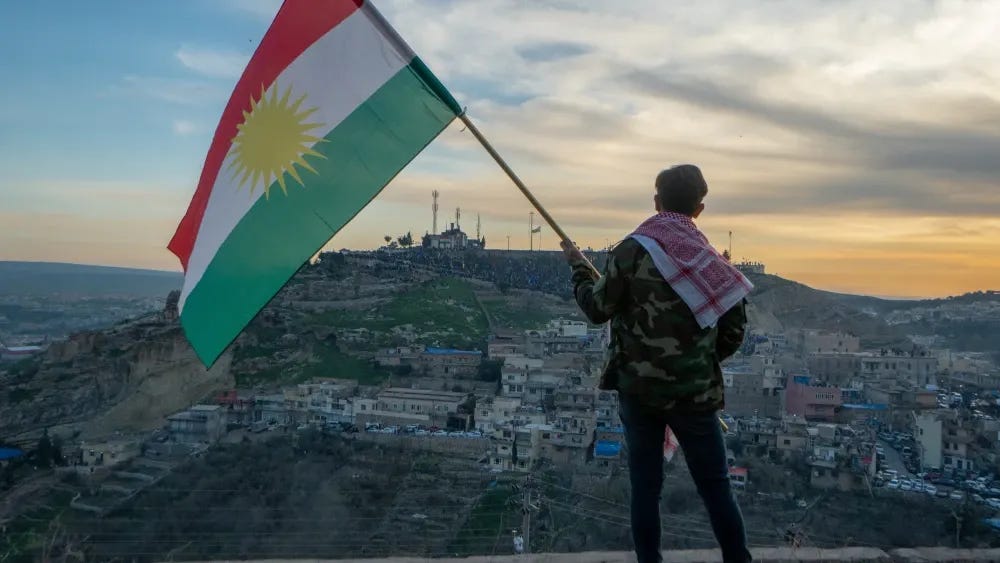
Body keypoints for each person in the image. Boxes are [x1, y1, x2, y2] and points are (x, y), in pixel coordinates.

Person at [560, 164, 754, 563]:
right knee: (715, 486)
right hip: (695, 394)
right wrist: (696, 361)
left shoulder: (632, 251)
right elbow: (734, 328)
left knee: (645, 486)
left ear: (656, 201)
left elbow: (598, 309)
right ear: (699, 209)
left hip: (639, 391)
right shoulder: (709, 260)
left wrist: (580, 269)